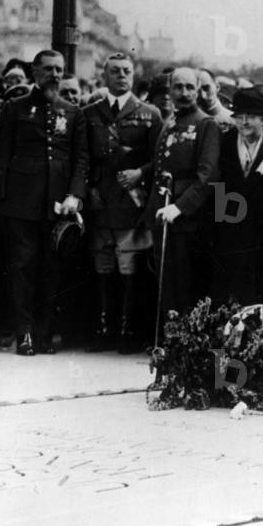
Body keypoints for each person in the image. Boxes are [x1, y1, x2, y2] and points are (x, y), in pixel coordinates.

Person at [0, 50, 87, 355]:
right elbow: (1, 156)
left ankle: (45, 333)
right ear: (35, 71)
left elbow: (80, 160)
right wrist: (2, 198)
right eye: (48, 69)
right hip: (20, 202)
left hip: (58, 203)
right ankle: (24, 334)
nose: (55, 75)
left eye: (59, 70)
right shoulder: (14, 108)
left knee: (51, 269)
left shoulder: (72, 112)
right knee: (21, 268)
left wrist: (75, 194)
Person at [84, 53, 163, 352]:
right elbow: (83, 156)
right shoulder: (90, 112)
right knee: (102, 262)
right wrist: (88, 188)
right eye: (115, 71)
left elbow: (159, 157)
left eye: (127, 71)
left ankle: (126, 329)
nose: (121, 76)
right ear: (105, 75)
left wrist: (139, 172)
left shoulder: (149, 113)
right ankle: (104, 327)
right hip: (100, 199)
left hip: (130, 201)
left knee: (128, 263)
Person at [147, 67, 221, 323]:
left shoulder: (205, 124)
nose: (184, 92)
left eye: (190, 87)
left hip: (188, 219)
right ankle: (171, 343)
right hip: (162, 211)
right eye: (178, 87)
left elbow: (207, 176)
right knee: (167, 282)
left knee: (186, 286)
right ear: (169, 90)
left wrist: (179, 208)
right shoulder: (170, 121)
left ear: (199, 89)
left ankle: (186, 346)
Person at [213, 87, 263, 305]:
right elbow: (218, 183)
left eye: (252, 117)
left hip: (262, 226)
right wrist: (222, 221)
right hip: (231, 224)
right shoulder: (225, 142)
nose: (245, 122)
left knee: (259, 282)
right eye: (240, 117)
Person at [197, 68, 236, 133]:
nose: (203, 95)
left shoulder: (232, 119)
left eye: (206, 88)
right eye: (198, 90)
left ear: (217, 87)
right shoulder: (189, 119)